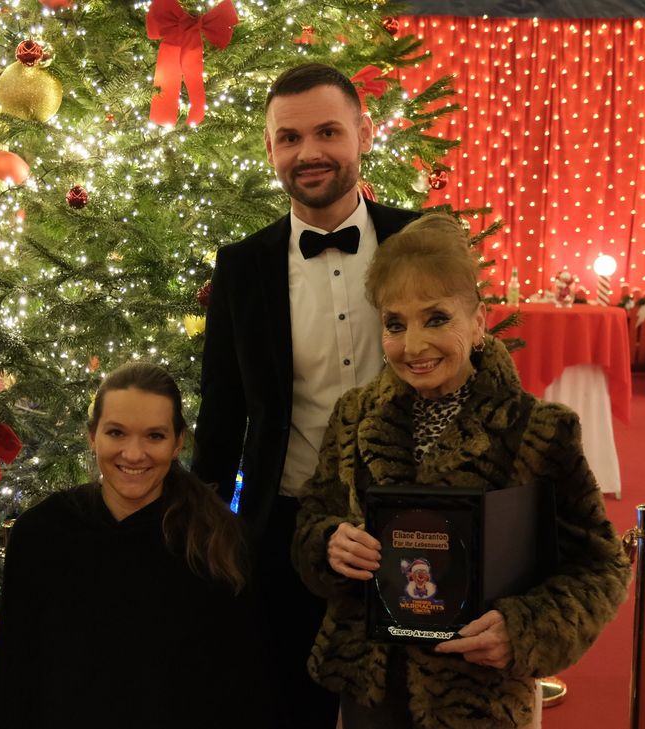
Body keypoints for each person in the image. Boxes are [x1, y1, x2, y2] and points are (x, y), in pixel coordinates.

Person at [291, 214, 631, 728]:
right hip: (371, 692)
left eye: (436, 318)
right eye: (395, 324)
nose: (413, 346)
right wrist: (328, 544)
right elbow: (313, 521)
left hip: (480, 700)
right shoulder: (355, 416)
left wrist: (524, 630)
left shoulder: (538, 430)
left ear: (478, 321)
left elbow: (601, 566)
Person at [192, 62, 421, 727]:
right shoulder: (242, 267)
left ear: (364, 133)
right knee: (290, 704)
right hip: (289, 531)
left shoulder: (422, 240)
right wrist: (209, 534)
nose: (309, 152)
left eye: (328, 131)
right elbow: (223, 409)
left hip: (414, 521)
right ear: (270, 149)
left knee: (403, 708)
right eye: (289, 138)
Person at [0, 362, 270, 728]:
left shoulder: (215, 542)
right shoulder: (41, 534)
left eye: (154, 436)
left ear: (178, 441)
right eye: (116, 433)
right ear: (92, 436)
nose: (133, 454)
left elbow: (240, 692)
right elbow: (15, 679)